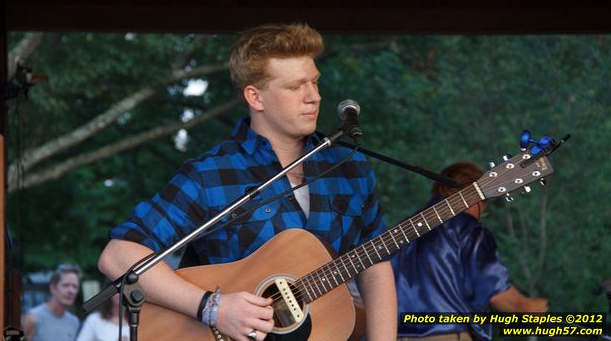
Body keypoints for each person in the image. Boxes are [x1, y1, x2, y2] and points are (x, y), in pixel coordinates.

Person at [98, 23, 397, 341]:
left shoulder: (349, 168)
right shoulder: (210, 174)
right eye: (296, 87)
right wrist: (212, 308)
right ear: (256, 98)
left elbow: (374, 264)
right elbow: (118, 256)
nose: (315, 97)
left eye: (314, 82)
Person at [391, 161, 548, 341]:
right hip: (445, 334)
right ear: (476, 195)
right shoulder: (466, 228)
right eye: (483, 205)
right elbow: (494, 290)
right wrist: (526, 306)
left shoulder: (398, 233)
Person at [22, 264, 82, 341]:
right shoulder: (33, 318)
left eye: (74, 286)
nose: (71, 291)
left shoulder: (74, 322)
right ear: (53, 288)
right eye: (66, 285)